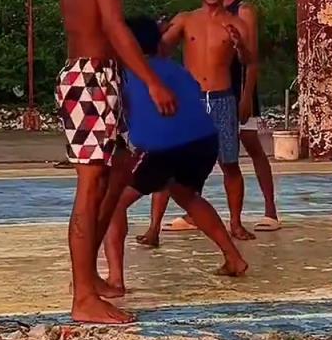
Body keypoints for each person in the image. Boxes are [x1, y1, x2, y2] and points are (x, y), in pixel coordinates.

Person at [55, 0, 177, 325]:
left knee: (120, 167)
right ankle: (83, 296)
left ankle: (89, 279)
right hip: (90, 79)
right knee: (90, 187)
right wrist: (152, 80)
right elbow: (114, 28)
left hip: (92, 76)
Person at [138, 0, 280, 246]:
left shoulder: (237, 21)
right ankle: (153, 229)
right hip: (190, 100)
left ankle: (236, 223)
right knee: (168, 161)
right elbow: (158, 50)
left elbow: (249, 59)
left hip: (221, 98)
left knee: (229, 162)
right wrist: (156, 36)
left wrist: (241, 59)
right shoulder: (186, 19)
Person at [103, 16, 248, 290]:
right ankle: (234, 258)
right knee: (187, 195)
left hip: (163, 148)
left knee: (112, 204)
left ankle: (116, 278)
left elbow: (121, 115)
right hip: (204, 142)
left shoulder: (126, 73)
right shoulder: (175, 69)